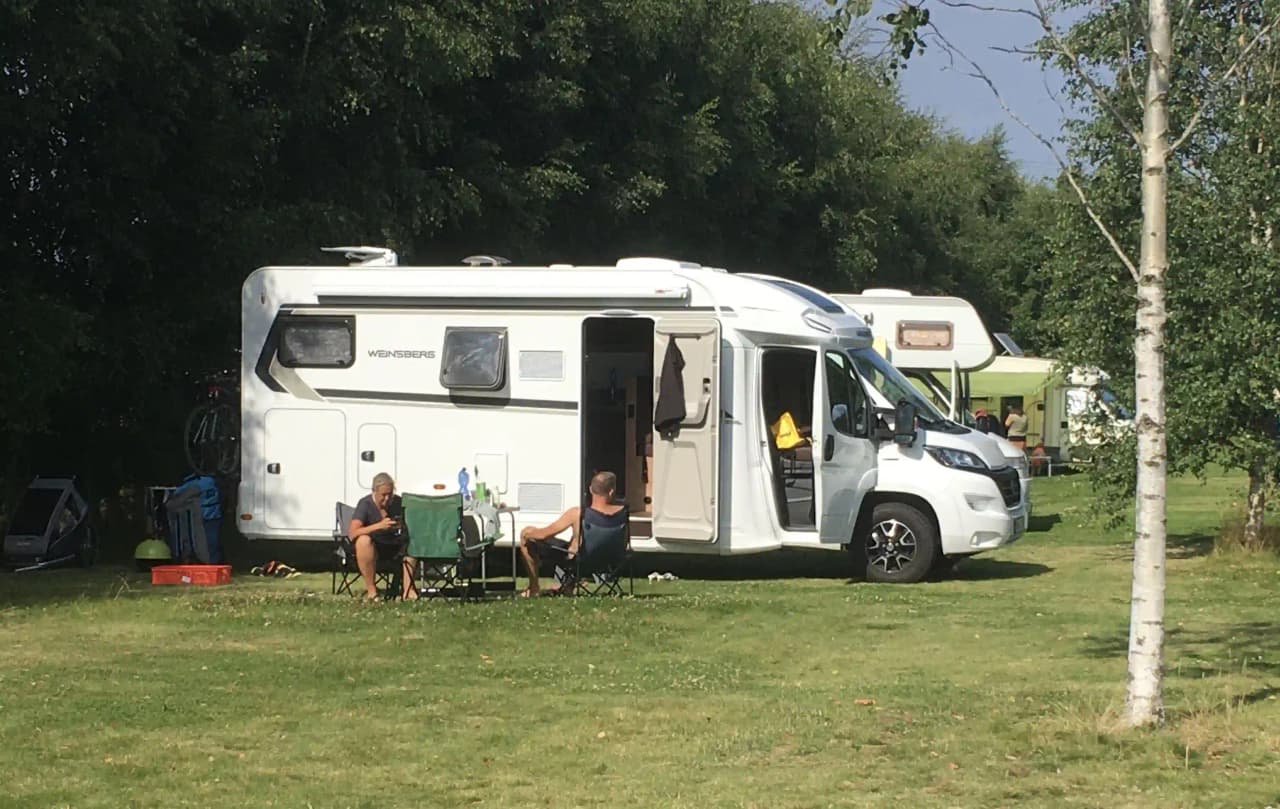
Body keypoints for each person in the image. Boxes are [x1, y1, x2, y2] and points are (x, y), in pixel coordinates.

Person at [518, 471, 626, 597]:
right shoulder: (623, 513)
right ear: (611, 491)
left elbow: (543, 535)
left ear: (591, 490)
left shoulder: (578, 513)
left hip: (580, 562)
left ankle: (534, 587)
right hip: (611, 561)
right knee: (576, 540)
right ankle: (568, 586)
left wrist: (527, 532)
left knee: (529, 536)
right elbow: (624, 542)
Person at [348, 472, 405, 600]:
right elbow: (353, 533)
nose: (387, 499)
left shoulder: (398, 502)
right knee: (363, 541)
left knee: (412, 542)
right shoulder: (365, 504)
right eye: (383, 495)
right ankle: (372, 591)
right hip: (374, 548)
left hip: (394, 546)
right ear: (374, 491)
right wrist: (378, 526)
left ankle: (407, 591)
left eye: (390, 494)